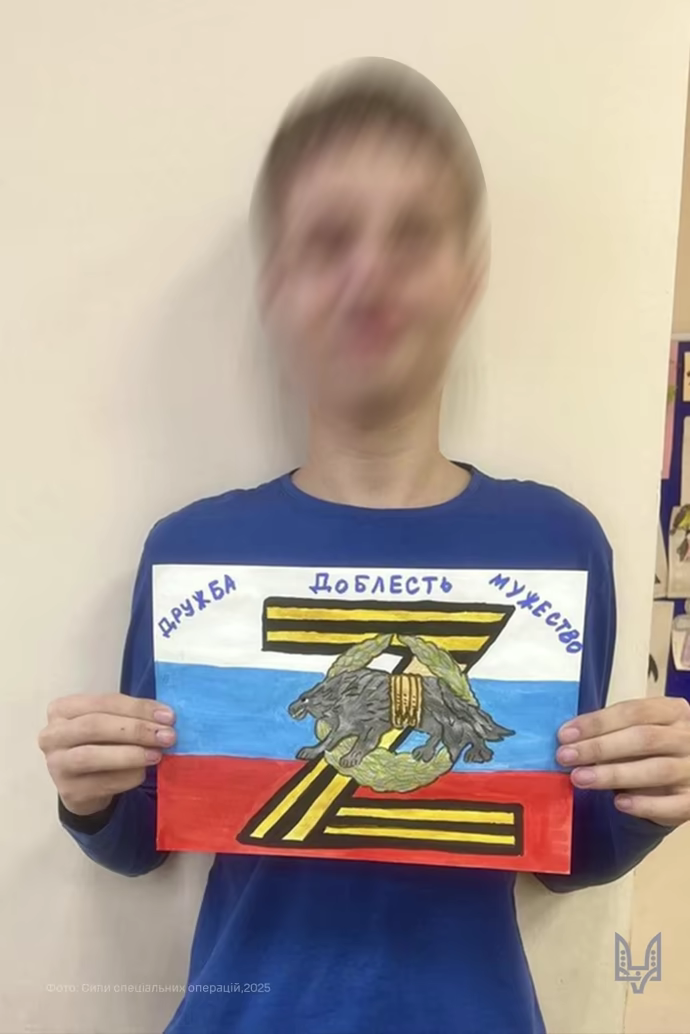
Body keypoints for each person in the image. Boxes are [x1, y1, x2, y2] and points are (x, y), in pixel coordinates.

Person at [39, 58, 690, 1034]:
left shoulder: (557, 547)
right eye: (329, 239)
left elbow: (561, 848)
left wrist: (648, 799)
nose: (369, 273)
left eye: (412, 235)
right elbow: (144, 838)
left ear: (468, 278)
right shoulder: (195, 555)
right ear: (277, 286)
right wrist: (90, 796)